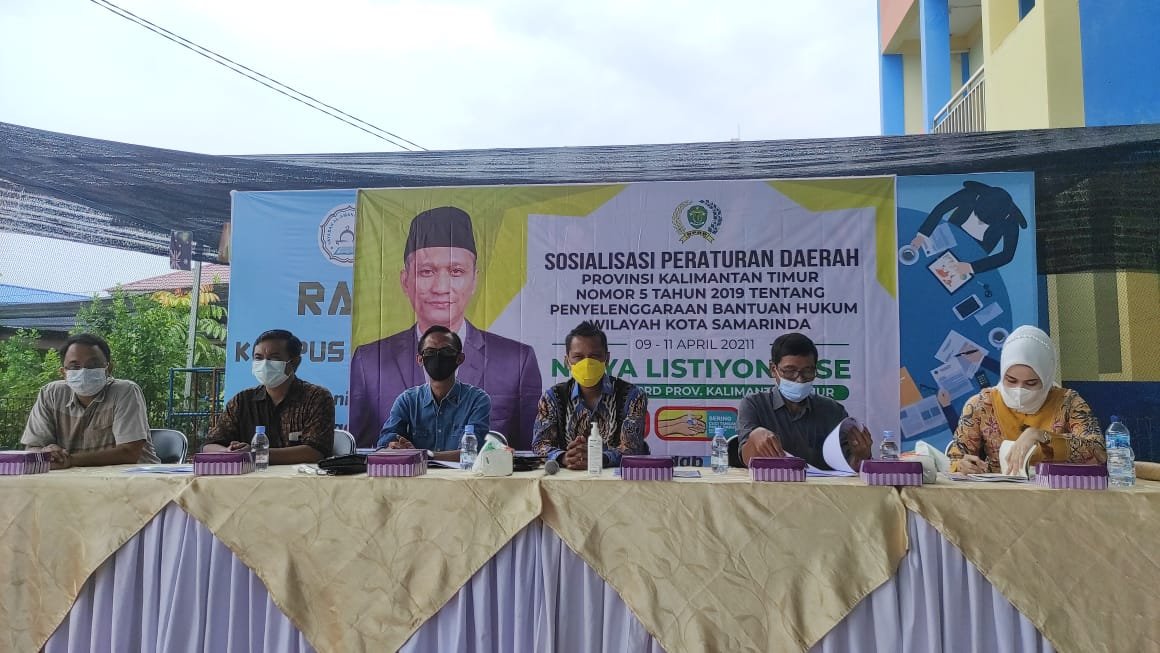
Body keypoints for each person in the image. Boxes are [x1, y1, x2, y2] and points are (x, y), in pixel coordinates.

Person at [348, 206, 541, 449]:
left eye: (456, 271)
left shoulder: (516, 361)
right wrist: (392, 450)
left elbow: (528, 451)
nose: (441, 287)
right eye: (426, 272)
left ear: (474, 280)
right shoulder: (369, 362)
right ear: (405, 281)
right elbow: (364, 451)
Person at [947, 325, 1105, 474]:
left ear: (1046, 377)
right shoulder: (981, 405)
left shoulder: (1068, 402)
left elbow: (1098, 451)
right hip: (998, 491)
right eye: (1011, 380)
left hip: (1056, 491)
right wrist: (961, 465)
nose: (1019, 390)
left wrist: (1040, 435)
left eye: (1031, 383)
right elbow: (955, 457)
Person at [22, 333, 160, 468]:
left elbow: (129, 453)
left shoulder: (125, 391)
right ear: (64, 373)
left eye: (93, 365)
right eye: (75, 366)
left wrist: (70, 460)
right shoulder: (50, 394)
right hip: (73, 479)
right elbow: (32, 448)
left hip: (135, 478)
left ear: (108, 369)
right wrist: (47, 453)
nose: (83, 371)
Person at [738, 333, 873, 470]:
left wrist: (861, 455)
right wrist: (754, 438)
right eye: (790, 371)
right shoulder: (754, 405)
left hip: (824, 484)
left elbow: (849, 468)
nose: (799, 379)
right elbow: (746, 459)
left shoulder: (833, 410)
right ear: (774, 370)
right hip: (772, 483)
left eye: (808, 371)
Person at [203, 329, 334, 464]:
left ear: (294, 362)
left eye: (274, 358)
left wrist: (256, 454)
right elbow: (209, 445)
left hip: (298, 477)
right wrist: (229, 452)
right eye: (258, 358)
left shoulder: (316, 398)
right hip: (250, 476)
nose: (265, 364)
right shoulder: (242, 401)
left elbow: (315, 452)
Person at [531, 321, 648, 469]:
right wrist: (564, 457)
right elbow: (539, 445)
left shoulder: (633, 396)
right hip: (567, 477)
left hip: (616, 479)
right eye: (578, 357)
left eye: (594, 356)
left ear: (606, 359)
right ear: (567, 361)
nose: (586, 363)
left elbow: (633, 448)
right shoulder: (552, 397)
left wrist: (598, 458)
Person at [376, 325, 491, 461]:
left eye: (446, 351)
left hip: (460, 475)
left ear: (459, 358)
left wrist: (422, 456)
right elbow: (385, 443)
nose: (438, 357)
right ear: (420, 359)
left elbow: (474, 451)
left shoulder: (477, 400)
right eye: (430, 352)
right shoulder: (407, 401)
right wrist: (396, 448)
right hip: (417, 474)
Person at [910, 180, 1028, 276]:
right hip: (951, 232)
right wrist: (922, 235)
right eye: (978, 216)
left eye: (985, 222)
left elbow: (1007, 255)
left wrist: (972, 267)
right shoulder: (970, 194)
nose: (980, 222)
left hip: (975, 251)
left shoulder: (1010, 220)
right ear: (978, 199)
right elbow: (940, 209)